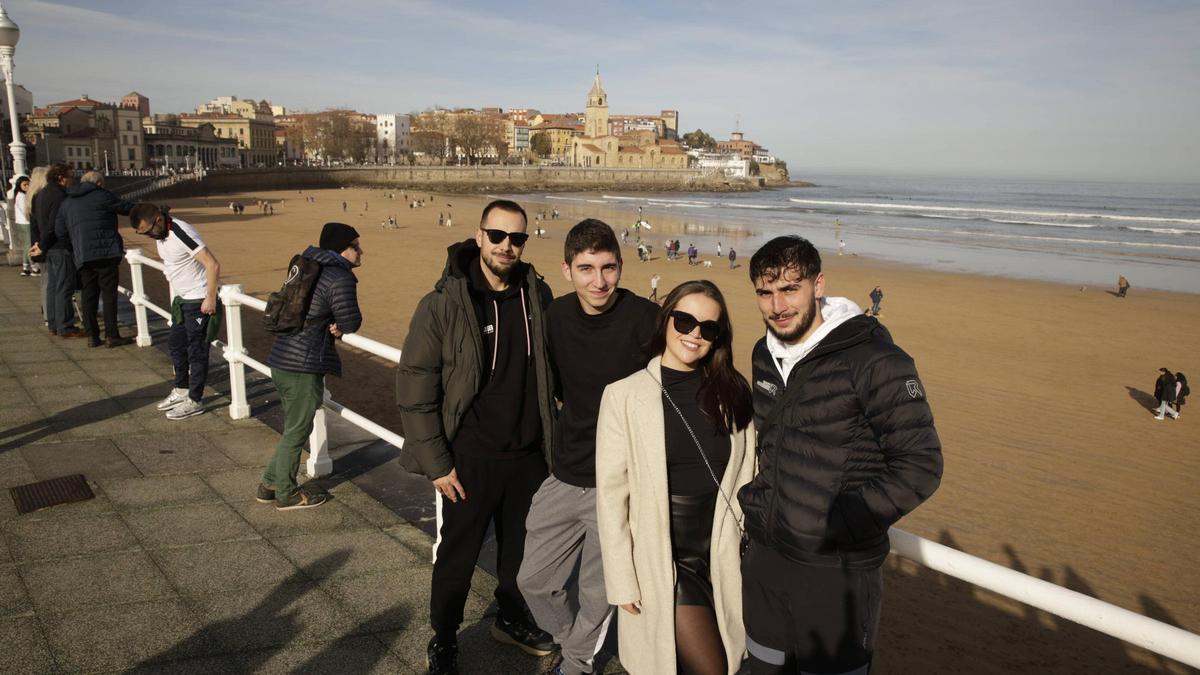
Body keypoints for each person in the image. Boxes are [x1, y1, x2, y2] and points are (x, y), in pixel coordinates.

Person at [739, 235, 942, 673]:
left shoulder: (877, 361)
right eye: (765, 293)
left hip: (835, 573)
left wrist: (840, 522)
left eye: (790, 289)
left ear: (818, 285)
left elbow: (921, 465)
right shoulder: (764, 354)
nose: (778, 306)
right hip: (767, 562)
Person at [396, 200, 557, 674]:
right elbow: (415, 383)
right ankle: (444, 638)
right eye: (497, 235)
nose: (507, 246)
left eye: (517, 238)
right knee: (457, 558)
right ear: (478, 235)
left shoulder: (538, 296)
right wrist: (436, 462)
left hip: (529, 455)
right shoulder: (443, 303)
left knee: (521, 554)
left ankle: (511, 618)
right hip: (468, 458)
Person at [519, 219, 659, 675]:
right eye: (586, 269)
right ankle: (575, 642)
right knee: (534, 581)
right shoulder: (554, 318)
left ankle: (577, 663)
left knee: (601, 589)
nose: (599, 281)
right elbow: (552, 389)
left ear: (620, 266)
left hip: (621, 481)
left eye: (608, 268)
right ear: (566, 270)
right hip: (566, 470)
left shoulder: (646, 320)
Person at [596, 280, 755, 675]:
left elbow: (749, 474)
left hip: (721, 550)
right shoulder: (624, 395)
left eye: (708, 328)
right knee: (711, 668)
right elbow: (613, 495)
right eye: (684, 321)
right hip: (664, 555)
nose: (694, 334)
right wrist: (621, 578)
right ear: (666, 320)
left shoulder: (732, 393)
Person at [258, 222, 363, 510]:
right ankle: (287, 494)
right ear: (343, 248)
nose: (360, 251)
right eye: (356, 246)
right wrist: (340, 327)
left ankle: (269, 483)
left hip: (282, 357)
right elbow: (350, 321)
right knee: (297, 430)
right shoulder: (338, 277)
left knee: (294, 426)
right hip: (303, 363)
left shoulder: (308, 266)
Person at [130, 204, 222, 420]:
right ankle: (181, 389)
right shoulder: (161, 236)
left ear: (158, 220)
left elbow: (212, 264)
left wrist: (210, 297)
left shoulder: (182, 232)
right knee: (175, 344)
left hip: (199, 299)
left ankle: (195, 399)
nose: (148, 236)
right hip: (182, 300)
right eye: (142, 233)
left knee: (197, 351)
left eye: (147, 231)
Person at [54, 171, 135, 348]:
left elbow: (60, 231)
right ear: (99, 183)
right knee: (108, 295)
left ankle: (92, 336)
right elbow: (127, 208)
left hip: (83, 255)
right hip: (106, 253)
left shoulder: (67, 201)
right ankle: (111, 335)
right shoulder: (102, 195)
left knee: (88, 295)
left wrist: (75, 245)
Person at [12, 175, 35, 276]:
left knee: (27, 244)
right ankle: (33, 266)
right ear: (19, 185)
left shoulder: (22, 195)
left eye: (28, 184)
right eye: (24, 184)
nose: (27, 186)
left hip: (23, 222)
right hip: (25, 222)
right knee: (28, 244)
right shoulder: (21, 196)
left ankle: (26, 267)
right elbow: (24, 210)